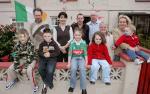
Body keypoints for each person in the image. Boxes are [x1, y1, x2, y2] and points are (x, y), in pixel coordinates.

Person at [6, 29, 38, 94]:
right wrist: (17, 68)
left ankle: (35, 86)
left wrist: (25, 68)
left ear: (27, 37)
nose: (22, 38)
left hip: (32, 59)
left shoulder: (31, 44)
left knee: (29, 70)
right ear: (18, 38)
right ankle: (14, 79)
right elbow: (15, 57)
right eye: (21, 37)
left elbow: (30, 57)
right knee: (10, 68)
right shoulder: (16, 46)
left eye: (24, 36)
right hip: (22, 59)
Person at [38, 28, 60, 94]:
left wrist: (50, 54)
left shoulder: (54, 43)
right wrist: (43, 54)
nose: (47, 37)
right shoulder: (41, 44)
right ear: (43, 36)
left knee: (50, 70)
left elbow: (58, 52)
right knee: (40, 69)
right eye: (45, 36)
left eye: (48, 36)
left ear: (51, 36)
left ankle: (47, 84)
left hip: (52, 59)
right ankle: (47, 82)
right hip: (43, 58)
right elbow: (39, 52)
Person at [67, 30, 87, 94]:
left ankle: (83, 88)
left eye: (79, 35)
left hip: (81, 58)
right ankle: (72, 86)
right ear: (74, 35)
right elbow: (70, 54)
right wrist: (69, 63)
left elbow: (85, 54)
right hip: (74, 58)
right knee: (73, 69)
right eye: (76, 35)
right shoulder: (72, 43)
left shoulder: (83, 43)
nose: (77, 36)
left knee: (82, 70)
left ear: (81, 35)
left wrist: (86, 62)